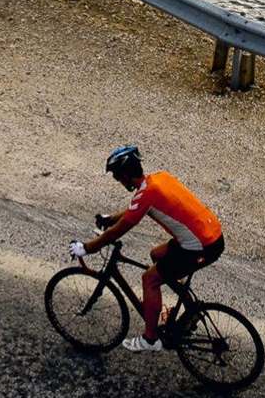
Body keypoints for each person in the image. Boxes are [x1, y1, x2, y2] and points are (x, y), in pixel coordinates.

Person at [69, 145, 224, 352]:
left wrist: (87, 248)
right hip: (207, 235)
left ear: (124, 174)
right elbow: (136, 207)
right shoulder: (159, 178)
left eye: (116, 176)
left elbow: (116, 232)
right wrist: (110, 218)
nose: (117, 180)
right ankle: (191, 310)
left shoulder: (146, 195)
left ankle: (150, 339)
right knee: (156, 255)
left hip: (203, 247)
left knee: (150, 280)